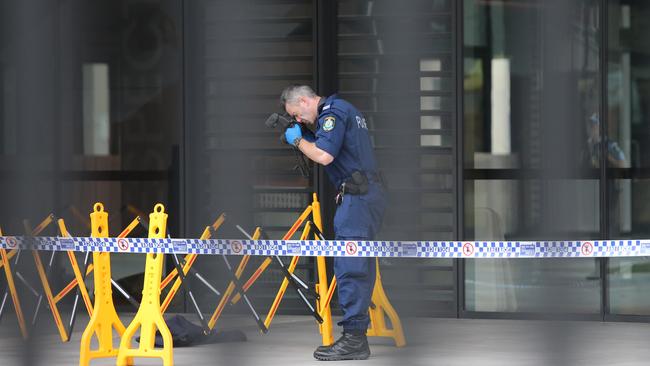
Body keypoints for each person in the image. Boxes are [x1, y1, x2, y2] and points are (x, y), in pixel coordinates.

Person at [280, 85, 386, 361]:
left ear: (304, 100)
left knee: (350, 267)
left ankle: (354, 339)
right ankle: (356, 334)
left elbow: (325, 155)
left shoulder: (332, 113)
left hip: (357, 198)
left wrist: (297, 141)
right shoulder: (343, 109)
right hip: (364, 194)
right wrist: (307, 136)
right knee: (359, 264)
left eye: (297, 114)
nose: (299, 121)